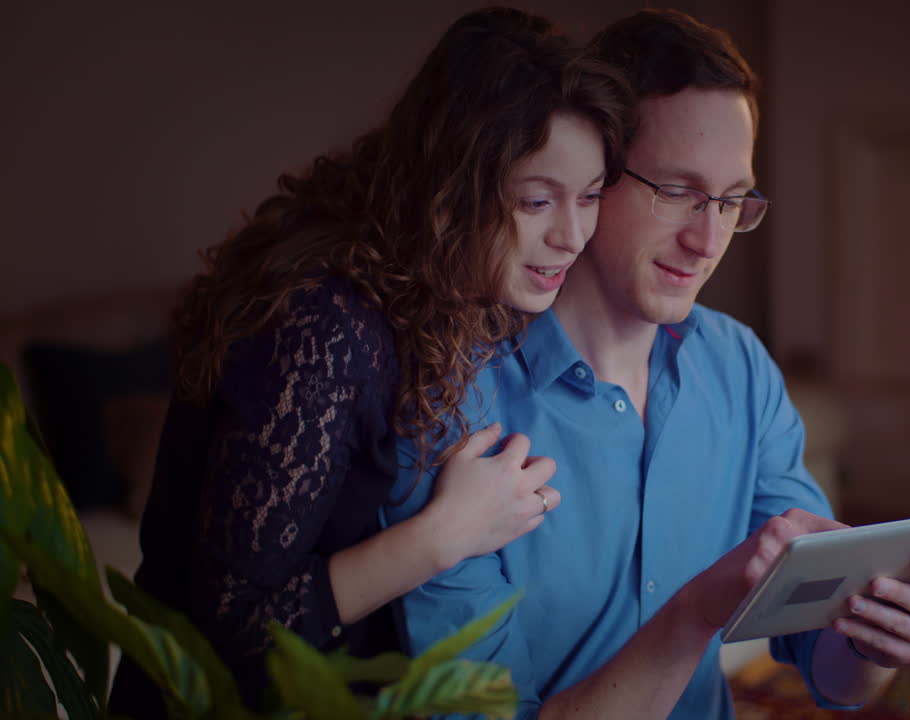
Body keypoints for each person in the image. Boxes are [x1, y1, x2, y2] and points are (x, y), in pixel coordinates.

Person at [384, 8, 910, 719]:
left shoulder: (740, 369)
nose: (707, 240)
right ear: (595, 172)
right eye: (678, 191)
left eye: (730, 201)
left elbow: (830, 672)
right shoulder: (456, 397)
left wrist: (880, 638)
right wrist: (696, 613)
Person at [108, 7, 631, 716]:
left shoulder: (446, 290)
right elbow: (231, 625)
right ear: (455, 186)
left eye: (591, 197)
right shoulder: (325, 324)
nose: (572, 235)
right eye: (537, 200)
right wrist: (447, 534)